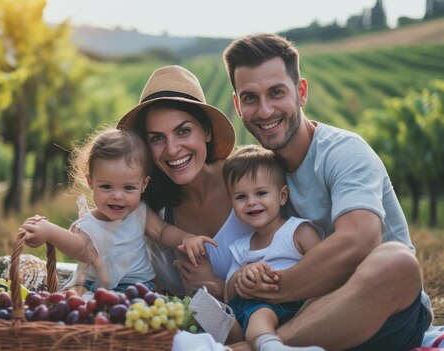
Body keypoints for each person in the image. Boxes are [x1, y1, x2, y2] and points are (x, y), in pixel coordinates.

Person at [222, 33, 432, 351]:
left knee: (397, 263)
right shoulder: (258, 172)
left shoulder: (343, 151)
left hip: (381, 310)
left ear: (301, 92)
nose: (264, 111)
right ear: (238, 105)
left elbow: (358, 240)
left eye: (276, 93)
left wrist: (273, 289)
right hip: (297, 312)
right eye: (250, 98)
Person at [18, 128, 216, 294]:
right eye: (106, 187)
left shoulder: (139, 212)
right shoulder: (87, 226)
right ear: (90, 182)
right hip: (93, 287)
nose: (117, 196)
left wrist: (186, 238)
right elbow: (80, 249)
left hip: (139, 286)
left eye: (129, 188)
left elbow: (163, 232)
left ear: (143, 185)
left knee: (144, 307)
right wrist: (49, 231)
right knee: (75, 298)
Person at [118, 65, 253, 298]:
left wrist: (215, 287)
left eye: (183, 131)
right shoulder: (153, 213)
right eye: (157, 138)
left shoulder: (253, 180)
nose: (172, 149)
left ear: (207, 132)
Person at [222, 145, 323, 351]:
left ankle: (269, 345)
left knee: (262, 314)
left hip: (299, 304)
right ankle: (262, 344)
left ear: (282, 196)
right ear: (231, 202)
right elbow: (228, 293)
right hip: (253, 308)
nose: (251, 202)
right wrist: (243, 274)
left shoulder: (298, 231)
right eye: (241, 197)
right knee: (223, 311)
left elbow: (324, 267)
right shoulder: (241, 247)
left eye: (260, 193)